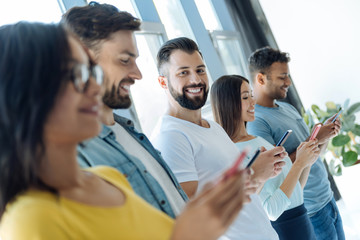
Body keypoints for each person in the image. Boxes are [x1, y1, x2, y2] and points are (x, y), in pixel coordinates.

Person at [0, 22, 248, 240]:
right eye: (76, 75)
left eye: (92, 73)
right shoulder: (29, 222)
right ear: (24, 95)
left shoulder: (110, 178)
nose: (95, 88)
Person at [151, 37, 289, 240]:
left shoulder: (213, 127)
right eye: (183, 73)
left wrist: (260, 175)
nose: (195, 80)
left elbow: (245, 196)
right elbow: (190, 219)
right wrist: (252, 172)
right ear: (163, 81)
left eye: (200, 70)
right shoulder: (170, 136)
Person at [61, 2, 188, 218]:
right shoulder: (72, 155)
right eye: (124, 60)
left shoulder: (128, 130)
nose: (137, 74)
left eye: (135, 61)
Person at [247, 46, 345, 240]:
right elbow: (274, 169)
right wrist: (316, 138)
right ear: (260, 79)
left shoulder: (286, 107)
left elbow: (312, 155)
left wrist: (325, 136)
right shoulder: (257, 122)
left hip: (327, 199)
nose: (288, 82)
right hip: (310, 211)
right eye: (282, 77)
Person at [211, 74, 321, 239]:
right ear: (229, 103)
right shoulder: (236, 153)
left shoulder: (256, 140)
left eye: (251, 95)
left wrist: (306, 162)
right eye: (245, 97)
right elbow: (272, 211)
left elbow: (295, 192)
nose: (253, 101)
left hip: (301, 219)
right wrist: (298, 163)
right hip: (287, 228)